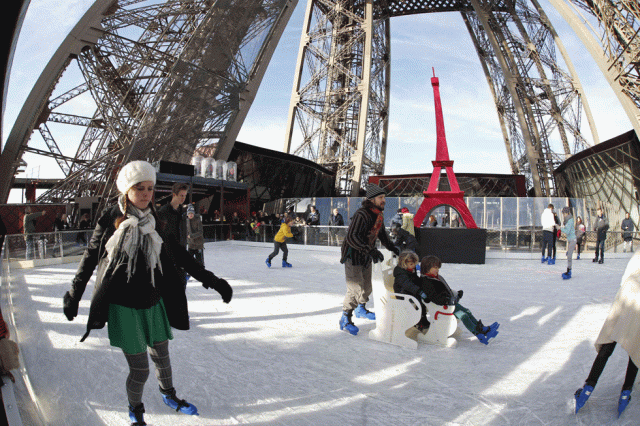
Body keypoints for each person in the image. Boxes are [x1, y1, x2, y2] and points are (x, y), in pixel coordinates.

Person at [62, 161, 232, 426]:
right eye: (139, 188)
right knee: (140, 369)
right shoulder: (111, 219)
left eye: (150, 188)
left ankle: (169, 395)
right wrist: (74, 293)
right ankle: (136, 409)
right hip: (124, 306)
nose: (145, 193)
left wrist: (214, 281)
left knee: (162, 357)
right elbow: (91, 256)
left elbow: (180, 255)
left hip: (153, 302)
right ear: (127, 190)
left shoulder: (158, 221)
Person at [574, 250, 640, 417]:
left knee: (609, 338)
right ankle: (626, 392)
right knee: (636, 344)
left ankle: (589, 386)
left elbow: (626, 276)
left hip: (629, 289)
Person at [339, 184, 400, 336]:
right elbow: (352, 237)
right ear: (372, 199)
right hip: (353, 255)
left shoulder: (377, 214)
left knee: (367, 285)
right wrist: (371, 250)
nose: (383, 200)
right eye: (381, 197)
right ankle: (345, 317)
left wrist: (391, 247)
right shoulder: (362, 214)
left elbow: (382, 234)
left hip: (365, 255)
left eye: (384, 197)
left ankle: (361, 309)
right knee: (355, 288)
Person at [420, 255, 499, 345]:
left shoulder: (436, 277)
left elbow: (445, 291)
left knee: (467, 311)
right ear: (427, 267)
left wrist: (456, 295)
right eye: (435, 267)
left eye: (438, 267)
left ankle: (483, 329)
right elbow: (435, 297)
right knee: (463, 316)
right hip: (443, 307)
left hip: (450, 304)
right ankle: (478, 334)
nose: (437, 270)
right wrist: (449, 300)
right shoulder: (426, 281)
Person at [158, 182, 189, 284]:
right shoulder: (163, 212)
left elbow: (183, 235)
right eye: (181, 195)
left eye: (185, 195)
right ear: (174, 195)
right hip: (168, 261)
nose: (183, 198)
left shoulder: (182, 212)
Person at [392, 251, 430, 332]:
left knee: (423, 300)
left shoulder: (410, 270)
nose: (414, 266)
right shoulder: (400, 274)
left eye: (415, 264)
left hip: (410, 291)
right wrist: (419, 291)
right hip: (403, 294)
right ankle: (419, 321)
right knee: (419, 302)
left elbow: (415, 280)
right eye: (412, 264)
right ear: (404, 264)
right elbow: (408, 285)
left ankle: (423, 317)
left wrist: (423, 283)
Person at [560, 207, 576, 279]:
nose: (563, 215)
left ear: (567, 213)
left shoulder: (570, 220)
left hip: (572, 240)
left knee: (569, 256)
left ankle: (569, 271)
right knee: (568, 255)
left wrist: (559, 228)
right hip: (570, 240)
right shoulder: (568, 220)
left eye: (564, 213)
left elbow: (567, 231)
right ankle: (568, 270)